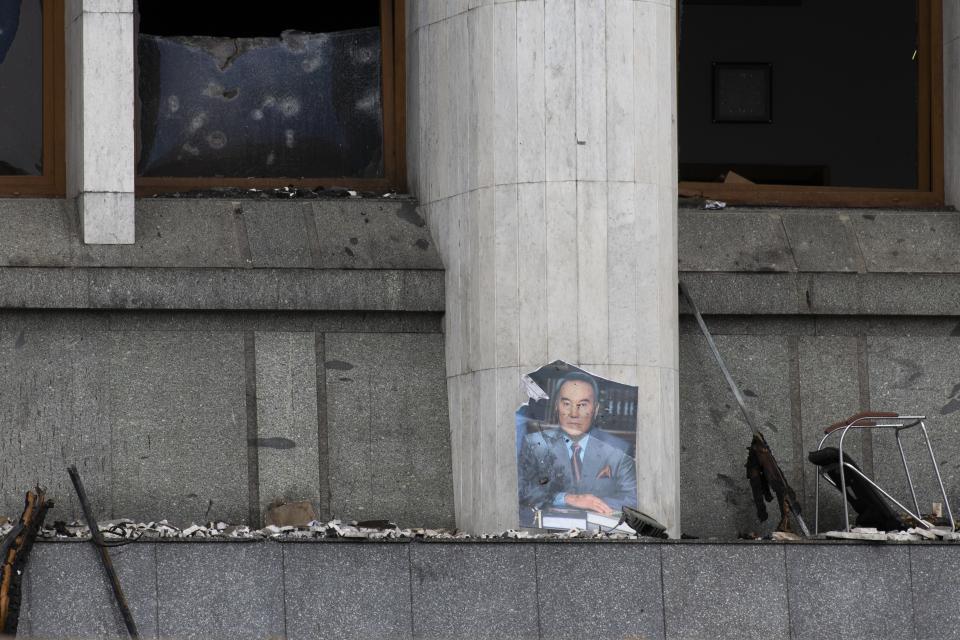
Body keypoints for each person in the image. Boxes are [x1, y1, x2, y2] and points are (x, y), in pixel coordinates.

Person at [517, 371, 637, 516]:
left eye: (583, 404)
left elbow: (632, 498)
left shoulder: (619, 450)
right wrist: (568, 499)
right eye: (567, 403)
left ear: (596, 409)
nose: (574, 413)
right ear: (556, 406)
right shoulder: (535, 444)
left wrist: (592, 503)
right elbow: (523, 490)